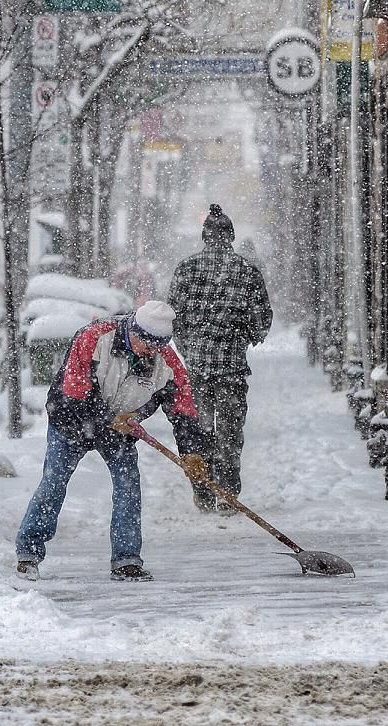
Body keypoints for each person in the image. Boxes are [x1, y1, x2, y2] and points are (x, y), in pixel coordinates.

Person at [15, 300, 209, 583]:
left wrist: (192, 453)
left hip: (119, 430)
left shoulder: (166, 363)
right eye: (146, 342)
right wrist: (107, 417)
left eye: (157, 346)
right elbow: (74, 392)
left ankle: (126, 560)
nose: (150, 351)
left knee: (128, 486)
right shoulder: (93, 337)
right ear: (132, 330)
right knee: (54, 482)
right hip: (71, 422)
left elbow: (184, 410)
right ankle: (28, 552)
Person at [168, 204, 274, 514]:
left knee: (200, 431)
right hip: (231, 366)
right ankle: (227, 492)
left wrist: (189, 346)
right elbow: (261, 319)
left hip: (197, 368)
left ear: (204, 237)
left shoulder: (186, 269)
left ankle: (203, 490)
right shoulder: (247, 271)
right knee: (230, 432)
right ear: (231, 237)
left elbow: (173, 317)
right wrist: (245, 337)